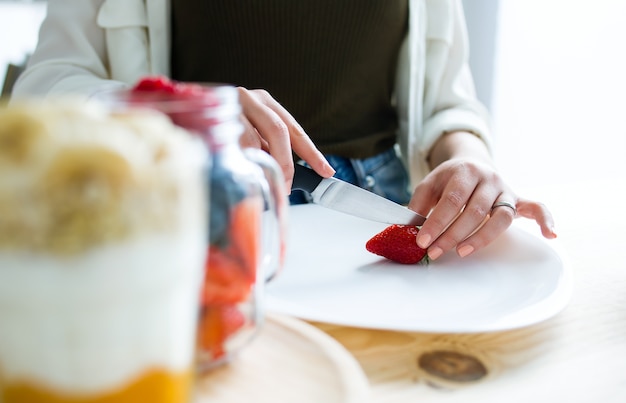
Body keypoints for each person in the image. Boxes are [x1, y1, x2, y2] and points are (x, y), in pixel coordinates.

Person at [11, 0, 556, 260]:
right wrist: (181, 111)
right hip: (197, 208)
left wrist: (467, 160)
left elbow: (448, 102)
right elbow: (42, 88)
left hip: (378, 211)